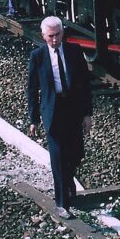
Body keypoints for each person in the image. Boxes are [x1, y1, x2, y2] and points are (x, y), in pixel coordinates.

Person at [26, 16, 93, 219]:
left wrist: (87, 114)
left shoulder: (74, 51)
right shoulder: (37, 56)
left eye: (58, 35)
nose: (54, 40)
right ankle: (62, 204)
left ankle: (69, 178)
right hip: (52, 111)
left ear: (63, 33)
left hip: (72, 108)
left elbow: (85, 83)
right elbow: (32, 89)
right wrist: (33, 119)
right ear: (43, 36)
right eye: (50, 36)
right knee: (58, 157)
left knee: (75, 153)